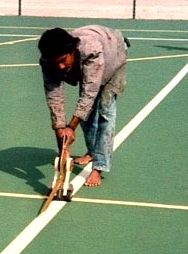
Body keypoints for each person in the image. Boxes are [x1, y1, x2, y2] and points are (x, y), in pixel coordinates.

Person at [38, 26, 128, 187]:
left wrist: (70, 128)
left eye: (63, 60)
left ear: (72, 51)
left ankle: (99, 166)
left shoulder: (91, 50)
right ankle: (92, 151)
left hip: (112, 54)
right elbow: (54, 97)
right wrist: (61, 134)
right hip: (89, 60)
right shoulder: (47, 61)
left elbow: (89, 93)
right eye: (55, 62)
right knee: (85, 117)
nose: (59, 67)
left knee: (104, 114)